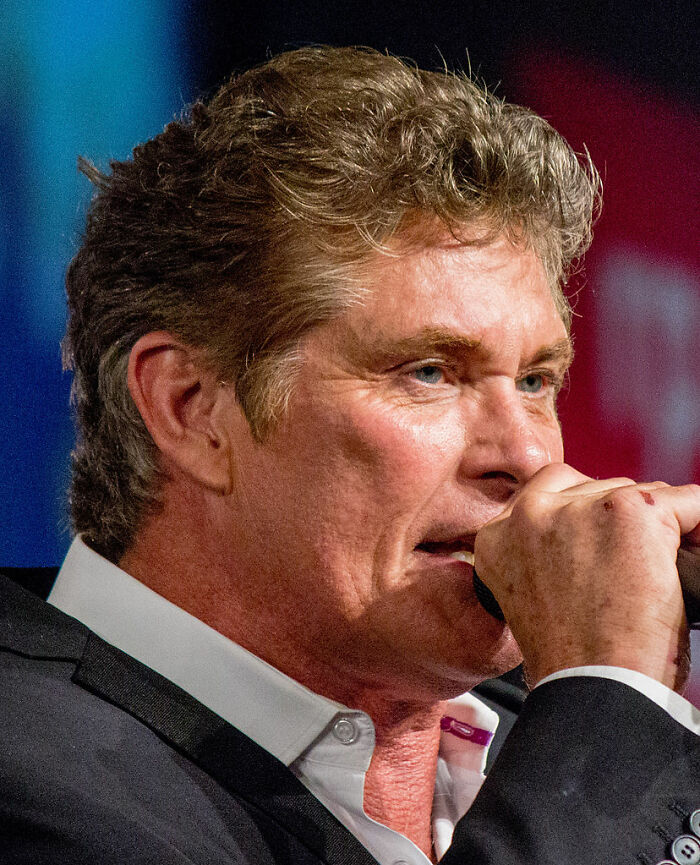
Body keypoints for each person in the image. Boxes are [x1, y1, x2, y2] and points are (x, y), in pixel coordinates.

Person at [1, 46, 698, 865]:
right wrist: (608, 701)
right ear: (192, 410)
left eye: (537, 380)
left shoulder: (569, 753)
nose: (526, 453)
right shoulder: (32, 775)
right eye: (429, 371)